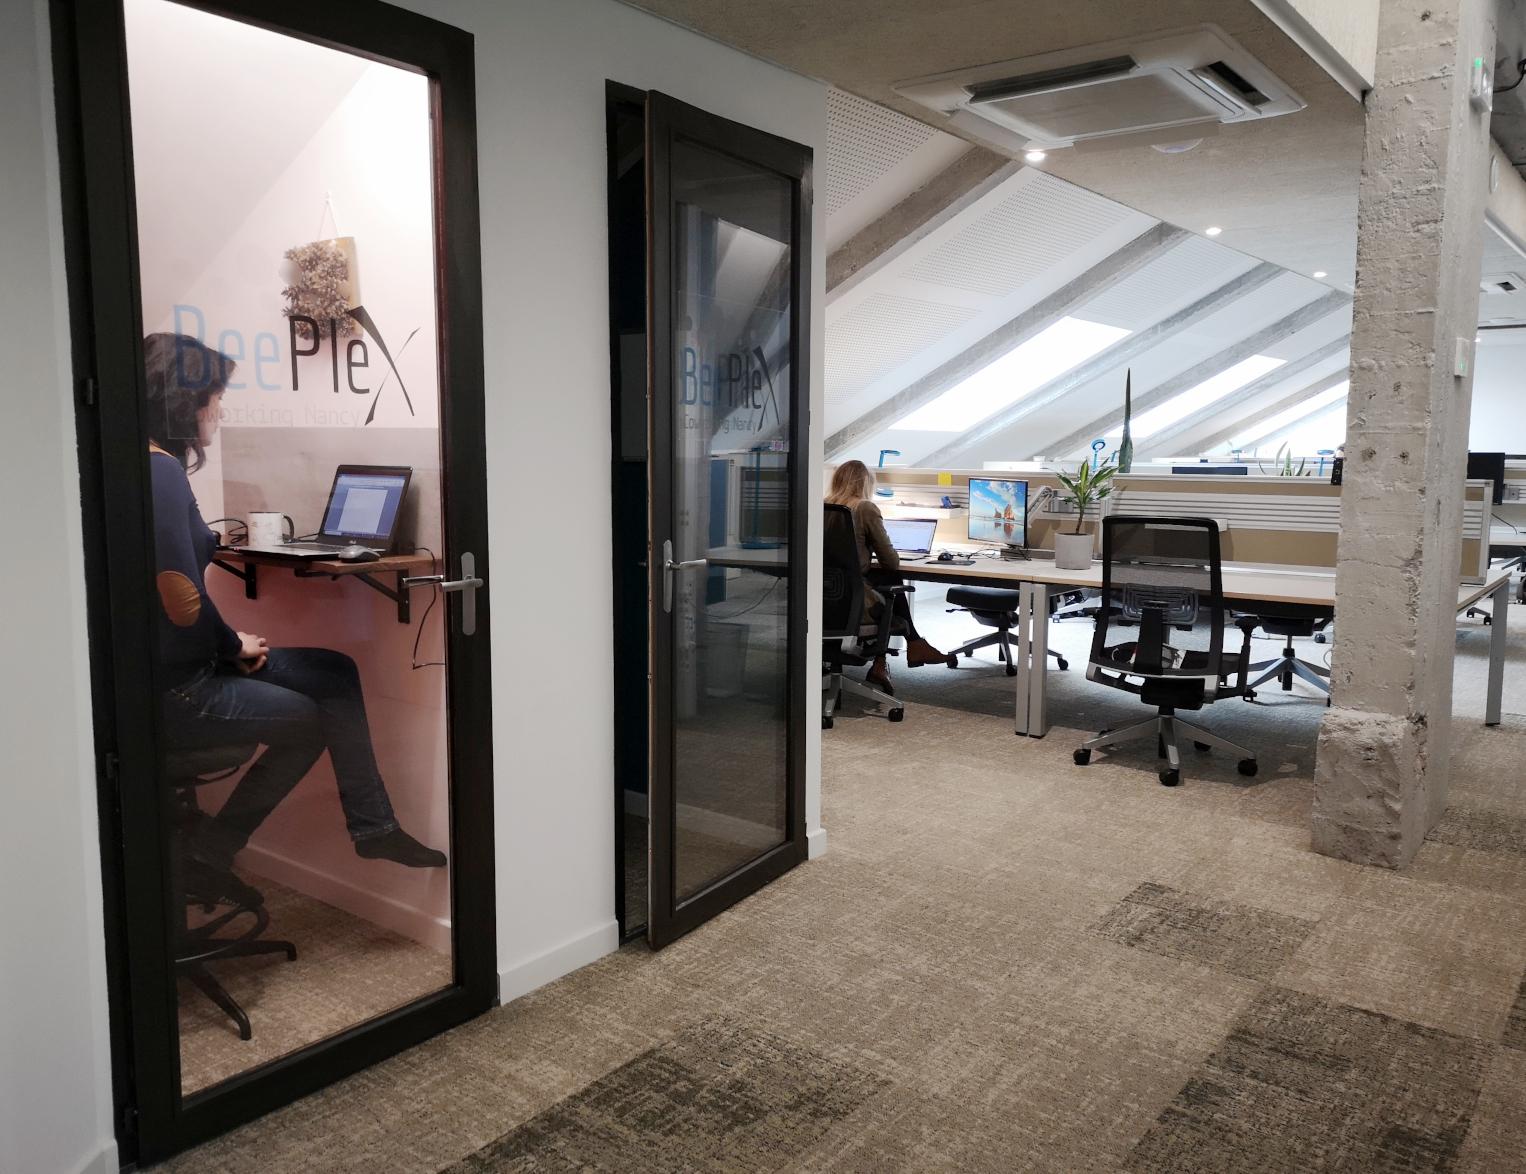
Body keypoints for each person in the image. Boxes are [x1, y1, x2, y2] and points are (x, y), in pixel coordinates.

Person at [146, 332, 445, 908]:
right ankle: (211, 852)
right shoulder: (160, 474)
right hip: (181, 687)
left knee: (333, 672)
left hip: (175, 668)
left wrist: (227, 640)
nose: (220, 410)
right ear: (186, 401)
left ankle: (374, 827)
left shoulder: (145, 465)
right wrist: (232, 646)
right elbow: (180, 599)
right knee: (310, 719)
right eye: (216, 396)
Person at [825, 460, 946, 694]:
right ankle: (910, 646)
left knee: (886, 581)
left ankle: (898, 654)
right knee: (891, 582)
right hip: (852, 604)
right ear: (865, 484)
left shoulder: (823, 506)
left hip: (822, 598)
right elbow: (891, 562)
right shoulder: (864, 508)